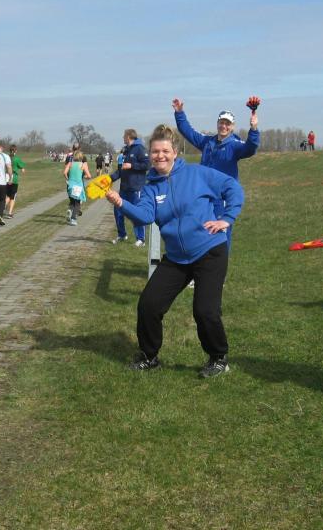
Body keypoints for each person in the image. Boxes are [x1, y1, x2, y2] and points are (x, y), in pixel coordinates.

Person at [106, 125, 244, 377]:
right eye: (155, 151)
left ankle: (218, 358)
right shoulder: (151, 187)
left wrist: (227, 218)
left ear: (175, 152)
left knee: (205, 310)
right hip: (177, 258)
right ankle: (149, 356)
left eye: (165, 151)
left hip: (209, 250)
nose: (160, 156)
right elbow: (145, 216)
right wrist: (121, 202)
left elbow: (232, 188)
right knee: (149, 305)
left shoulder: (197, 173)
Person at [172, 97, 259, 251]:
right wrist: (179, 113)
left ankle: (220, 266)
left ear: (232, 127)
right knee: (200, 233)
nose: (224, 126)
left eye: (227, 124)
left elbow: (250, 148)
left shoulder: (235, 145)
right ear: (217, 123)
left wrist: (253, 129)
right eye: (221, 122)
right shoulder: (207, 142)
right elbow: (188, 131)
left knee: (221, 237)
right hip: (203, 197)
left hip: (222, 200)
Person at [109, 129, 149, 247]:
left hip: (135, 188)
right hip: (124, 188)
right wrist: (110, 178)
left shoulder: (140, 148)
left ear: (128, 136)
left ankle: (140, 239)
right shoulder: (126, 150)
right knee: (118, 211)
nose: (122, 138)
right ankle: (122, 235)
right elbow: (121, 169)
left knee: (136, 213)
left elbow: (147, 164)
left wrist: (132, 165)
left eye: (124, 136)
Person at [64, 149, 91, 226]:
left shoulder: (70, 163)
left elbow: (64, 173)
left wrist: (67, 179)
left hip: (70, 185)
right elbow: (89, 176)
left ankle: (70, 210)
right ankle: (73, 219)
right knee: (77, 203)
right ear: (81, 157)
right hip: (78, 186)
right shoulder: (83, 165)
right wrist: (85, 177)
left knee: (72, 201)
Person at [4, 144, 25, 218]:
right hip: (14, 179)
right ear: (16, 150)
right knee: (12, 197)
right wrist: (22, 169)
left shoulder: (6, 157)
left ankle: (2, 208)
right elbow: (22, 167)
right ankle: (9, 213)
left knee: (8, 195)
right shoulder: (17, 159)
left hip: (6, 178)